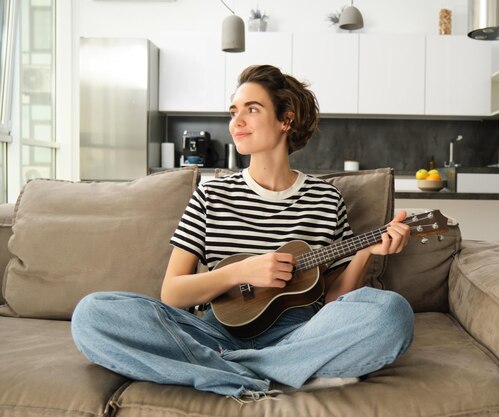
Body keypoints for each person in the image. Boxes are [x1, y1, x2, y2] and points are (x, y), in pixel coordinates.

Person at [71, 64, 415, 399]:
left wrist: (364, 253)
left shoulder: (326, 199)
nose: (237, 121)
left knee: (390, 314)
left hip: (298, 335)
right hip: (212, 335)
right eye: (234, 111)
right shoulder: (211, 193)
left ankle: (226, 372)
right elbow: (172, 294)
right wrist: (243, 271)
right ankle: (282, 373)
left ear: (286, 119)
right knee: (92, 314)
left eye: (252, 109)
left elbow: (335, 300)